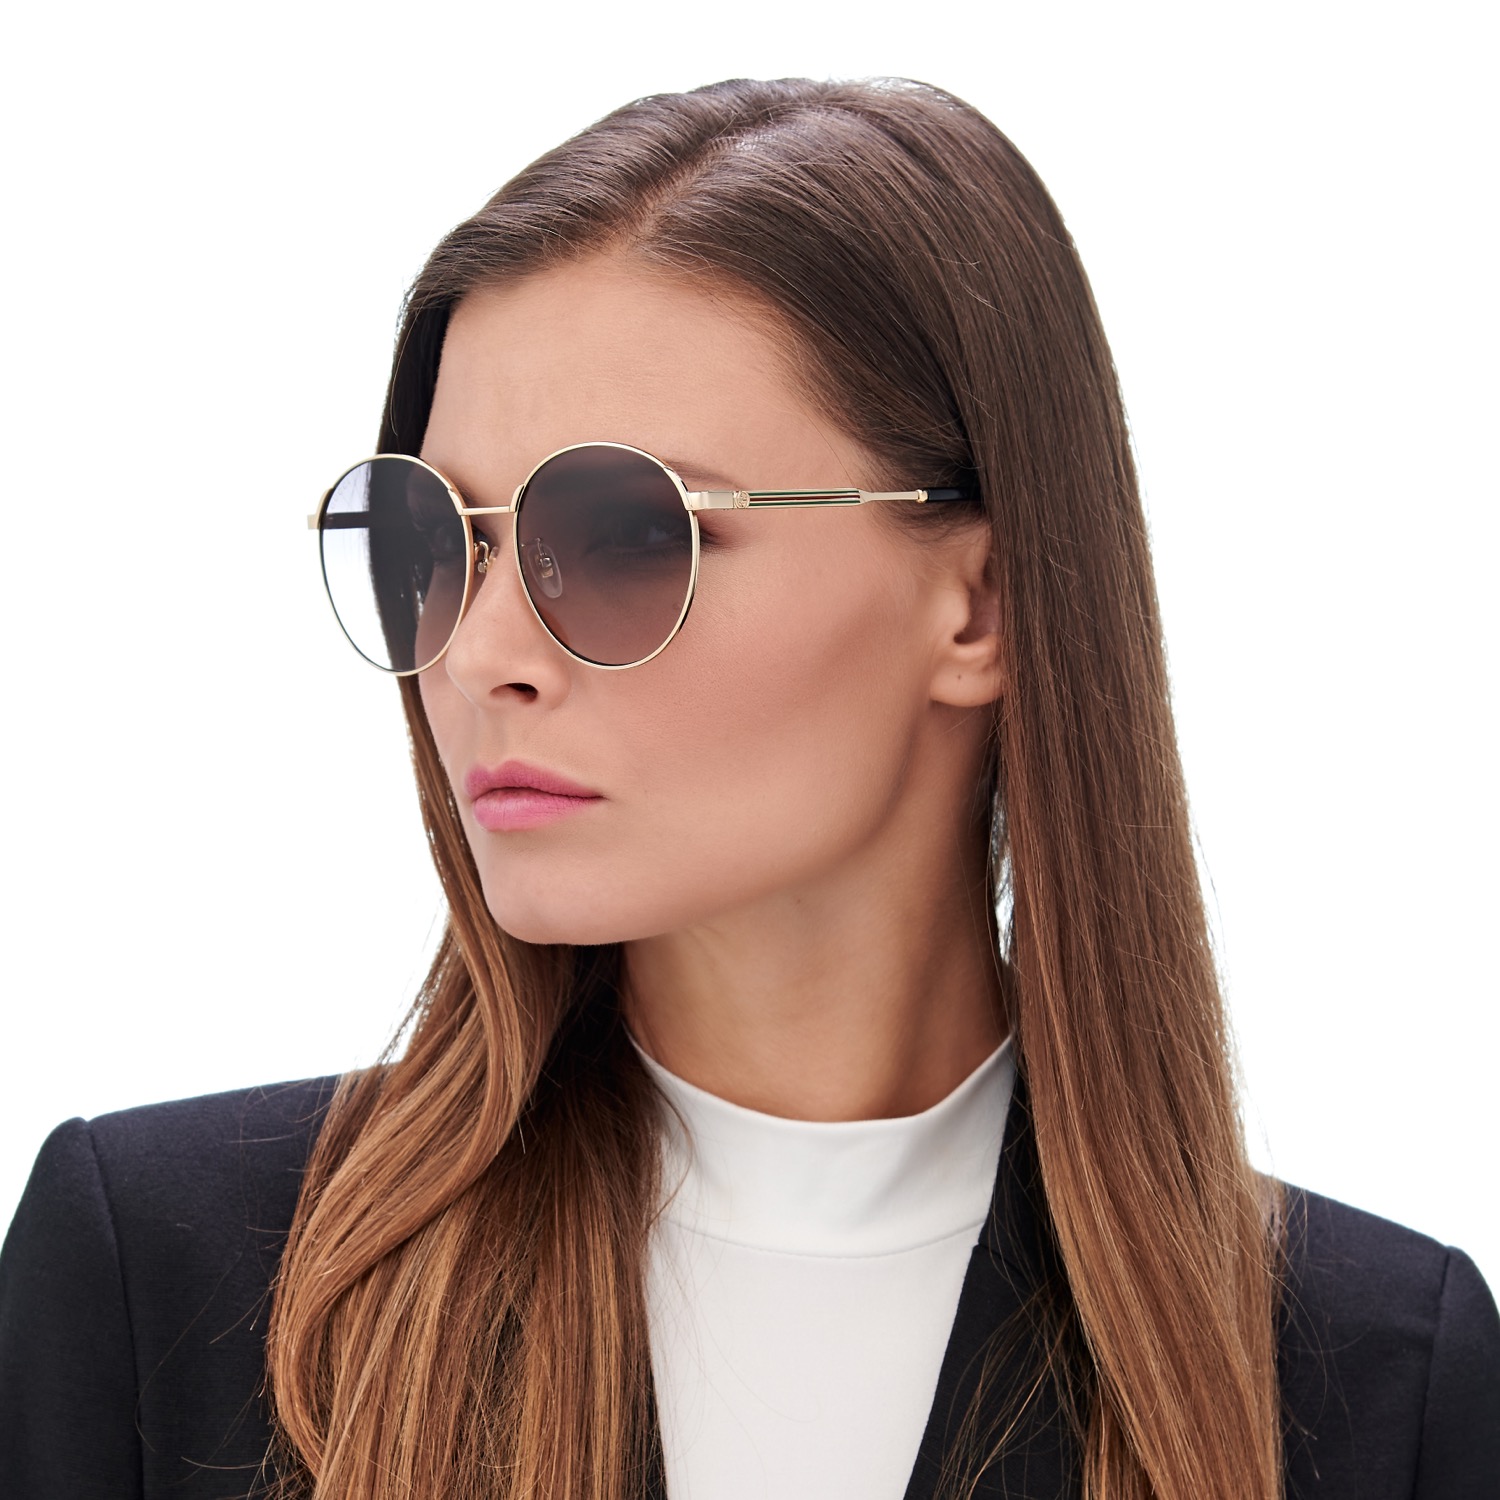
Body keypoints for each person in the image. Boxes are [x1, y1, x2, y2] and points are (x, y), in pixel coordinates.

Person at [1, 76, 1495, 1500]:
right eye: (441, 537)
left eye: (624, 533)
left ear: (981, 605)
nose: (484, 654)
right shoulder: (166, 1285)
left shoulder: (1375, 1384)